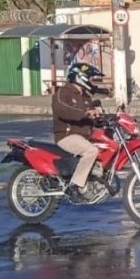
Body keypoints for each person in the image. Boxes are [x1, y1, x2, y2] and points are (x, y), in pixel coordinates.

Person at [53, 62, 104, 201]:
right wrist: (86, 113)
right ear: (80, 77)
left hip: (84, 136)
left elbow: (93, 115)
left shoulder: (86, 97)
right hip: (66, 136)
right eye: (90, 78)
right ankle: (75, 186)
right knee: (91, 151)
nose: (92, 81)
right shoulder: (63, 92)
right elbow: (63, 110)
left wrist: (111, 118)